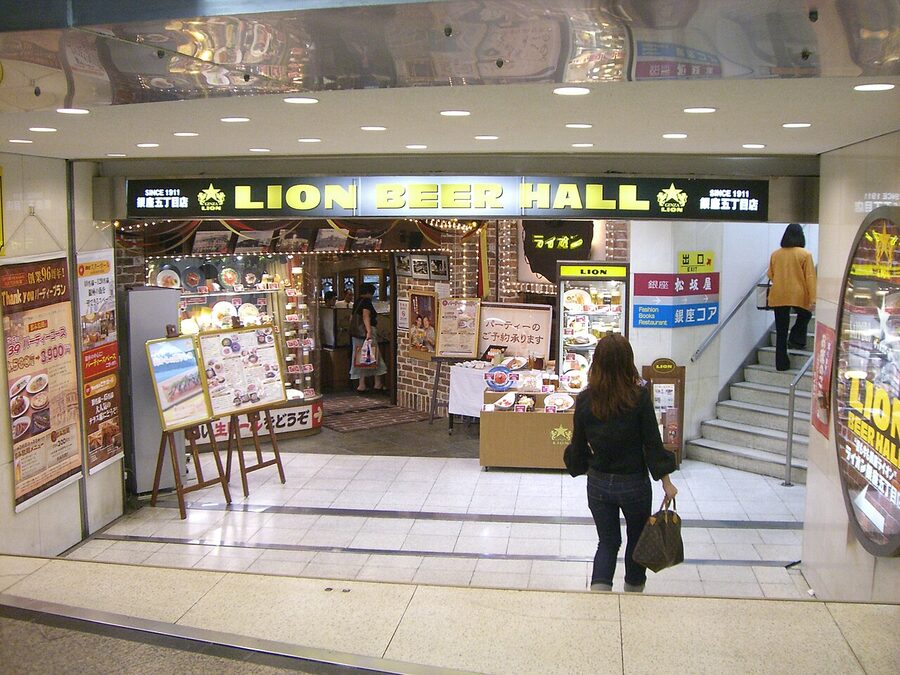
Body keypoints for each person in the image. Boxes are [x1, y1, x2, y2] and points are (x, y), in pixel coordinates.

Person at [566, 334, 678, 593]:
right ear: (628, 361)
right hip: (634, 484)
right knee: (637, 539)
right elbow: (652, 442)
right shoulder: (638, 398)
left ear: (597, 362)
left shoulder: (585, 399)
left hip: (599, 483)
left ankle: (599, 595)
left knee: (607, 542)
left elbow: (578, 446)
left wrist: (578, 464)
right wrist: (667, 482)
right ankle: (632, 596)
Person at [767, 223, 816, 371]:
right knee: (805, 314)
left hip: (778, 294)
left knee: (781, 330)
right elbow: (810, 277)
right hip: (798, 294)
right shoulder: (805, 254)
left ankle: (781, 364)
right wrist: (813, 299)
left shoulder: (776, 254)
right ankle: (796, 339)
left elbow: (770, 274)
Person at [349, 283, 387, 393]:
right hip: (366, 333)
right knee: (374, 356)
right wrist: (369, 331)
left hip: (357, 334)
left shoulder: (357, 302)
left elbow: (351, 318)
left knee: (361, 358)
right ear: (368, 292)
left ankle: (361, 385)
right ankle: (377, 383)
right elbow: (366, 316)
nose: (372, 295)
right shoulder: (366, 302)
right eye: (372, 293)